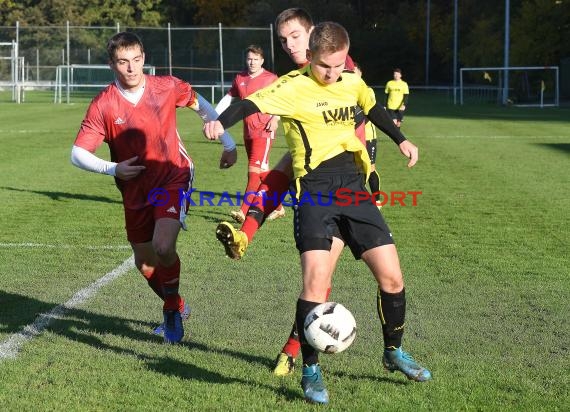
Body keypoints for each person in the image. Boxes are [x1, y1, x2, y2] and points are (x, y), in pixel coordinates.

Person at [205, 21, 431, 404]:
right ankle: (310, 370)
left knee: (392, 278)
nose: (332, 73)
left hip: (353, 188)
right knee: (314, 284)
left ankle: (393, 352)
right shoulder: (293, 87)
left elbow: (373, 108)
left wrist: (403, 140)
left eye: (338, 65)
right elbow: (249, 104)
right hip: (314, 193)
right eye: (325, 65)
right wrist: (218, 121)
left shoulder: (352, 81)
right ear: (311, 57)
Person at [70, 32, 237, 344]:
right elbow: (77, 153)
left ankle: (171, 312)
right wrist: (114, 168)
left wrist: (227, 143)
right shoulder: (103, 104)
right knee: (145, 263)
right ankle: (177, 303)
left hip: (172, 175)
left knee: (162, 246)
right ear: (111, 65)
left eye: (136, 60)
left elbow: (200, 104)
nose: (131, 68)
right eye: (123, 62)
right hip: (134, 189)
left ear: (143, 58)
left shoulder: (166, 87)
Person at [215, 45, 284, 224]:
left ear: (262, 60)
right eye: (249, 59)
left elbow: (282, 99)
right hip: (248, 132)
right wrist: (215, 118)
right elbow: (229, 97)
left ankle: (244, 211)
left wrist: (275, 118)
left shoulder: (271, 78)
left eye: (255, 59)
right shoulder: (240, 78)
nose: (252, 62)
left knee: (253, 172)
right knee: (261, 173)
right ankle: (278, 207)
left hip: (264, 130)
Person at [354, 62, 382, 206]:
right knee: (356, 169)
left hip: (368, 136)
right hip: (353, 138)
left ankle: (377, 199)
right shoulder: (346, 90)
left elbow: (368, 112)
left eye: (355, 72)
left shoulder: (367, 90)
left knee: (370, 168)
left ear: (360, 73)